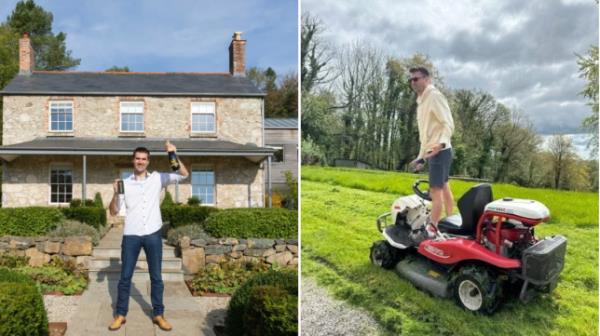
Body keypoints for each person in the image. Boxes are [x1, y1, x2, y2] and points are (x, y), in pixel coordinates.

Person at [108, 140, 189, 331]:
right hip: (131, 235)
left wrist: (172, 154)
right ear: (133, 160)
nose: (140, 161)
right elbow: (113, 212)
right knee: (125, 278)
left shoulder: (158, 178)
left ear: (148, 161)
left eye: (144, 159)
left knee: (156, 277)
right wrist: (114, 194)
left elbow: (183, 175)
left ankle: (158, 314)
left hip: (153, 234)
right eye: (137, 158)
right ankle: (120, 315)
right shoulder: (124, 184)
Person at [408, 67, 455, 240]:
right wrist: (421, 157)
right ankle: (451, 221)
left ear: (427, 79)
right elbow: (425, 134)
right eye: (411, 80)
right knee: (444, 186)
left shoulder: (434, 96)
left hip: (440, 151)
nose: (413, 82)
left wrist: (440, 144)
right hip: (434, 151)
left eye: (416, 79)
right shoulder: (421, 100)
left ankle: (432, 229)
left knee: (435, 192)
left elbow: (448, 124)